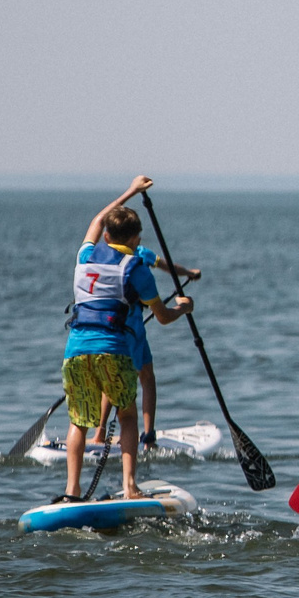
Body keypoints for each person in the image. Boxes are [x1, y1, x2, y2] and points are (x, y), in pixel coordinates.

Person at [59, 176, 192, 501]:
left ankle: (72, 491)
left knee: (79, 422)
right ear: (136, 239)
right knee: (128, 414)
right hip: (113, 351)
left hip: (75, 351)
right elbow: (161, 317)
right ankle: (130, 485)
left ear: (106, 234)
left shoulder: (85, 257)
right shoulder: (135, 268)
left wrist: (131, 191)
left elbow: (97, 219)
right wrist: (182, 309)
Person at [123, 243, 202, 448]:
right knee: (146, 377)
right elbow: (168, 267)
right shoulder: (140, 252)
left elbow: (167, 266)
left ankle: (100, 434)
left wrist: (187, 272)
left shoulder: (103, 257)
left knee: (113, 380)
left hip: (111, 330)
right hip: (133, 328)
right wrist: (189, 274)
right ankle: (148, 437)